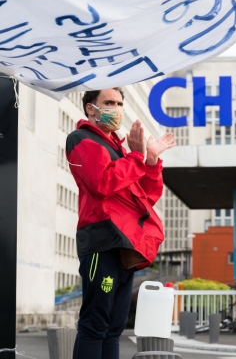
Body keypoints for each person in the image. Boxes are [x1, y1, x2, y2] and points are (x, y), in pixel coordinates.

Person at [66, 87, 176, 359]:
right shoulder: (81, 139)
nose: (116, 109)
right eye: (109, 102)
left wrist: (150, 162)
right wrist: (136, 157)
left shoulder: (119, 149)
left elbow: (145, 197)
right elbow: (102, 183)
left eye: (119, 103)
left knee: (114, 327)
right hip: (101, 240)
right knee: (95, 323)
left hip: (126, 244)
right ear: (91, 108)